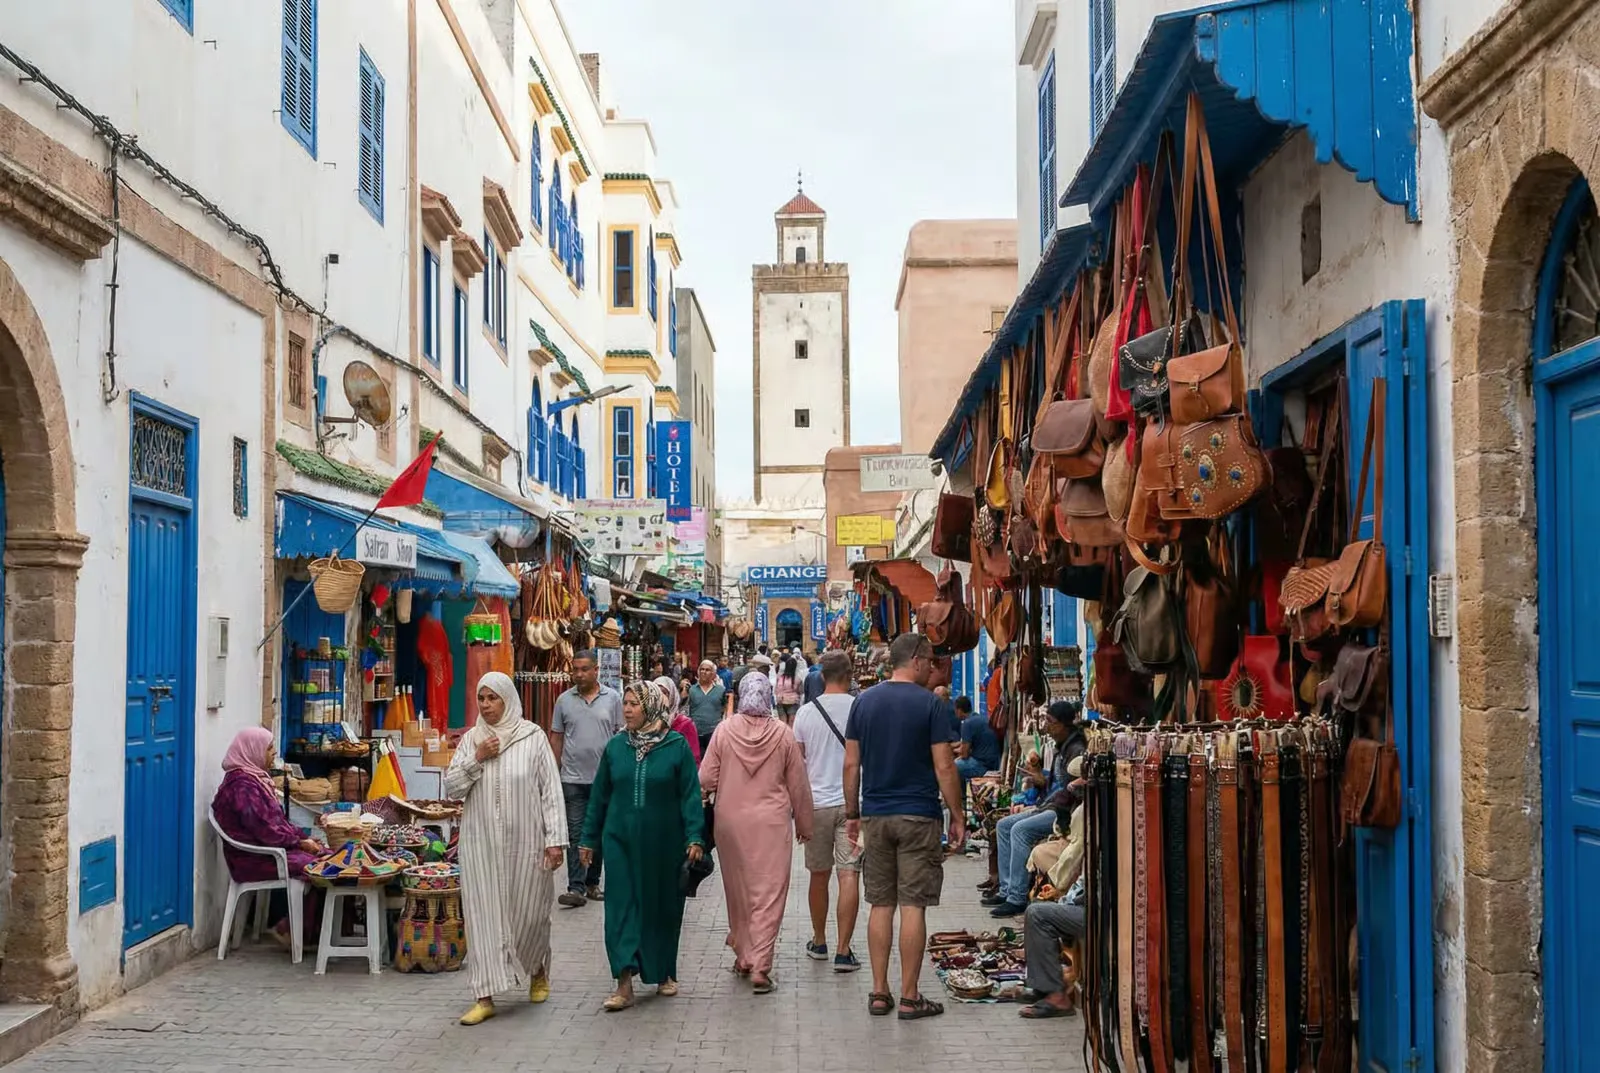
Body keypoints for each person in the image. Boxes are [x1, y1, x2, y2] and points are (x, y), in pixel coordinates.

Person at [842, 632, 963, 1020]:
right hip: (918, 815)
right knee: (913, 905)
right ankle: (910, 997)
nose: (933, 667)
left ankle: (880, 992)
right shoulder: (931, 706)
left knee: (880, 903)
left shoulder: (864, 702)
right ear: (913, 659)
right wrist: (957, 815)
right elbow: (944, 766)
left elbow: (850, 764)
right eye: (929, 660)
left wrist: (852, 813)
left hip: (876, 816)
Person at [446, 673, 568, 1026]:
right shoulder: (472, 740)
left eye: (492, 698)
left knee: (530, 915)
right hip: (481, 845)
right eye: (481, 698)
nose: (485, 705)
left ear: (507, 699)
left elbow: (550, 792)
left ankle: (537, 968)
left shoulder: (532, 738)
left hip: (527, 845)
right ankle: (484, 995)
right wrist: (477, 757)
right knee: (483, 918)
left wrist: (555, 840)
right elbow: (452, 788)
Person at [580, 680, 705, 1011]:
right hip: (619, 841)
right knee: (619, 908)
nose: (628, 709)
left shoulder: (676, 746)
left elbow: (690, 795)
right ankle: (623, 982)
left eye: (635, 703)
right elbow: (599, 798)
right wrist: (589, 839)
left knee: (661, 907)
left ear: (651, 707)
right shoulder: (616, 747)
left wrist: (695, 836)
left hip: (664, 844)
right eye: (626, 703)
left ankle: (664, 971)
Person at [699, 673, 814, 993]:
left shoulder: (723, 731)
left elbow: (705, 778)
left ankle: (744, 955)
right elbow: (799, 786)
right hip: (771, 825)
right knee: (768, 893)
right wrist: (805, 825)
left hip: (730, 823)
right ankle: (760, 966)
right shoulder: (783, 734)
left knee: (739, 892)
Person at [210, 726, 324, 950]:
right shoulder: (242, 787)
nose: (273, 753)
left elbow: (278, 823)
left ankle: (317, 932)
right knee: (320, 868)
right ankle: (292, 931)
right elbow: (265, 830)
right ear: (252, 750)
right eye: (269, 748)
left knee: (334, 860)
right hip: (252, 859)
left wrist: (304, 839)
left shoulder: (255, 780)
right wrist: (300, 843)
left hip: (271, 852)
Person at [791, 649, 863, 972]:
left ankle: (819, 941)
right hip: (853, 806)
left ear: (821, 677)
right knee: (849, 876)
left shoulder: (805, 713)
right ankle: (843, 951)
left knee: (818, 877)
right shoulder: (860, 709)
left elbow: (797, 765)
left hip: (816, 804)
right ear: (850, 675)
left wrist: (796, 810)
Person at [985, 701, 1081, 918]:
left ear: (1064, 724)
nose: (1046, 726)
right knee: (1003, 825)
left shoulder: (1076, 750)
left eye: (1051, 722)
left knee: (1020, 830)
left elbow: (1071, 790)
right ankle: (1007, 889)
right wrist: (1040, 779)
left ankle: (1017, 897)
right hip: (1051, 804)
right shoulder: (1062, 747)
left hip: (1062, 811)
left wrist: (1045, 798)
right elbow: (1055, 784)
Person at [550, 650, 624, 908]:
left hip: (604, 780)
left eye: (584, 669)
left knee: (599, 833)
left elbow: (619, 735)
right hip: (572, 778)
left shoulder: (613, 699)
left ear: (596, 670)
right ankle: (576, 887)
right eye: (575, 669)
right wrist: (552, 773)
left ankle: (593, 883)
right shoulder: (563, 701)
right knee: (576, 833)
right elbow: (557, 738)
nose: (578, 674)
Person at [1019, 756, 1087, 1020]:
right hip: (1096, 901)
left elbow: (1075, 855)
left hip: (1102, 910)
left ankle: (1054, 994)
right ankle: (1044, 985)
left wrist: (1060, 889)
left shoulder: (1089, 810)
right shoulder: (1091, 807)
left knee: (1038, 914)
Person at [653, 675, 702, 763]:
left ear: (672, 696)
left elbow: (694, 758)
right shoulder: (646, 722)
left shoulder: (685, 724)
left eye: (664, 693)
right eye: (656, 693)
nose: (660, 697)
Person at [955, 695, 1000, 787]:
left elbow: (964, 755)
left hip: (983, 765)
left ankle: (961, 798)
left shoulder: (967, 724)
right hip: (994, 762)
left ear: (959, 710)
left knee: (953, 766)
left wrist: (952, 751)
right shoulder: (981, 718)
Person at [688, 660, 726, 755]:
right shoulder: (691, 690)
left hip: (714, 734)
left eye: (707, 670)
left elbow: (724, 708)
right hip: (695, 733)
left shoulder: (721, 690)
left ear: (713, 673)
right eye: (702, 669)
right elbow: (686, 709)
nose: (704, 672)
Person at [774, 655, 802, 723]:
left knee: (782, 723)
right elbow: (800, 691)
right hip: (793, 701)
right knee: (791, 723)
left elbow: (776, 690)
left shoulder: (780, 677)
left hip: (780, 700)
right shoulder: (797, 679)